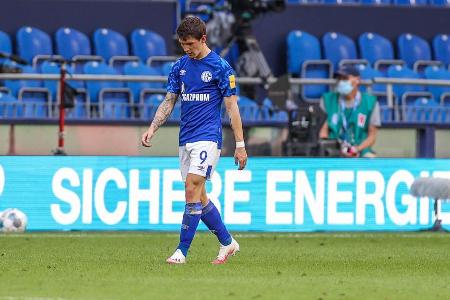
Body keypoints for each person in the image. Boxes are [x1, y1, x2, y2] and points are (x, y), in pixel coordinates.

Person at [141, 16, 248, 264]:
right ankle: (227, 242)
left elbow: (232, 108)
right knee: (199, 196)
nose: (186, 49)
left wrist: (240, 145)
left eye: (190, 44)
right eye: (182, 44)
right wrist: (153, 128)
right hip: (185, 138)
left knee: (191, 188)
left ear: (203, 39)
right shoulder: (179, 67)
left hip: (208, 138)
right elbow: (169, 101)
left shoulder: (221, 68)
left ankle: (181, 251)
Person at [319, 65, 381, 158]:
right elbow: (323, 132)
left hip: (360, 148)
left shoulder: (370, 102)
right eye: (339, 79)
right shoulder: (327, 100)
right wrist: (333, 147)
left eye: (345, 78)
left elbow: (372, 136)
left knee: (370, 157)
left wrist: (356, 149)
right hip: (333, 148)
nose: (340, 82)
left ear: (357, 80)